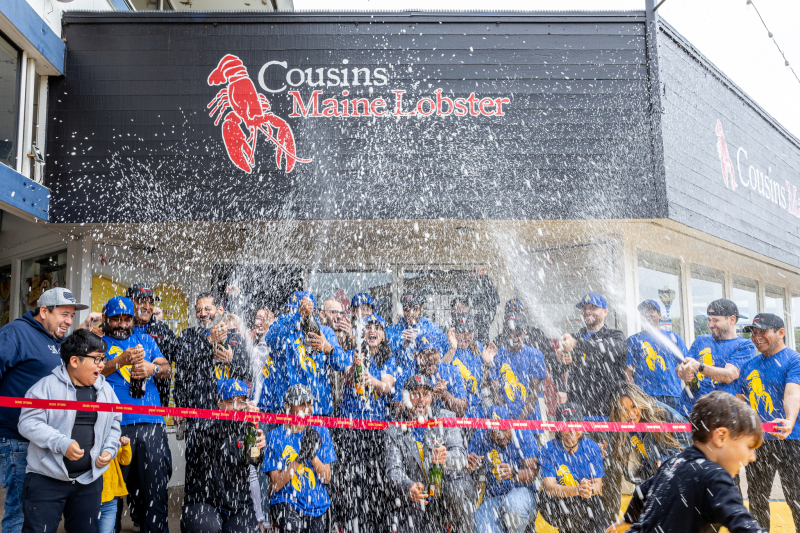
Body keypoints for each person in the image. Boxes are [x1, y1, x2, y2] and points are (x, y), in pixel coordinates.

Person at [608, 391, 765, 533]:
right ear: (721, 437)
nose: (753, 457)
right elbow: (744, 525)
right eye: (750, 446)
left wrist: (627, 520)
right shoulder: (715, 477)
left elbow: (641, 492)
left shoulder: (673, 462)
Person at [0, 287, 89, 533]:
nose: (69, 321)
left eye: (71, 315)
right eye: (64, 314)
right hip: (16, 440)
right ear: (43, 311)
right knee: (19, 511)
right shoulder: (16, 333)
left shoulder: (54, 341)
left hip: (43, 440)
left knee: (34, 511)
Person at [17, 329, 122, 533]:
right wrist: (61, 443)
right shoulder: (44, 388)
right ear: (74, 361)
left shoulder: (106, 391)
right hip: (46, 480)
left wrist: (110, 450)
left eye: (103, 359)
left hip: (88, 482)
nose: (102, 365)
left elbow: (115, 424)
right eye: (97, 359)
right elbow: (28, 422)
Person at [174, 293, 253, 532]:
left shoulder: (236, 338)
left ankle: (233, 511)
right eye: (199, 309)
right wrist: (208, 341)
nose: (202, 313)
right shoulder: (190, 336)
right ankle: (199, 511)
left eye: (207, 308)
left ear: (219, 309)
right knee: (200, 469)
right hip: (201, 422)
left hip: (233, 422)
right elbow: (183, 369)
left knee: (234, 468)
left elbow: (249, 372)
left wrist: (232, 360)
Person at [99, 296, 172, 533]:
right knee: (111, 493)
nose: (121, 324)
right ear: (105, 319)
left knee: (155, 490)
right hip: (114, 425)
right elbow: (93, 372)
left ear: (133, 319)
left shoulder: (146, 340)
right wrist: (120, 361)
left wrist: (154, 368)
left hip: (152, 423)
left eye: (126, 319)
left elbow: (167, 368)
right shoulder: (98, 343)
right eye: (116, 319)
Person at [331, 313, 397, 533]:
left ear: (383, 334)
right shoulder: (354, 353)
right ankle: (352, 526)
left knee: (376, 482)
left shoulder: (388, 358)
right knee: (351, 481)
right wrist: (357, 367)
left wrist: (373, 381)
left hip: (377, 430)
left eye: (377, 327)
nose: (372, 331)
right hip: (351, 428)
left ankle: (374, 525)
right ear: (362, 332)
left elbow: (388, 386)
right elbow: (348, 377)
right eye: (369, 326)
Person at [385, 375, 475, 533]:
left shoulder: (446, 418)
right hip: (419, 499)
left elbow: (461, 456)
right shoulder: (394, 430)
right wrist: (409, 486)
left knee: (455, 492)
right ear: (405, 397)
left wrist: (445, 457)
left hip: (449, 492)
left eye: (425, 394)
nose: (420, 400)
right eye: (415, 394)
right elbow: (393, 470)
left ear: (432, 398)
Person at [736, 313, 800, 531]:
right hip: (759, 442)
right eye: (753, 333)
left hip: (791, 439)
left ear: (780, 332)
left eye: (762, 332)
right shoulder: (749, 365)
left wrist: (789, 420)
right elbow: (740, 402)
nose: (756, 337)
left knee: (796, 498)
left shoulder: (794, 360)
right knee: (756, 498)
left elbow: (792, 394)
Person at [181, 379, 267, 533]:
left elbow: (253, 461)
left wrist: (259, 448)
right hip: (202, 502)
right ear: (219, 403)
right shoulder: (203, 423)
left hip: (237, 505)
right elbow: (216, 432)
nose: (237, 407)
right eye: (231, 402)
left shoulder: (247, 429)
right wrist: (238, 420)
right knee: (208, 528)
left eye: (241, 402)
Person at [605, 384, 689, 520]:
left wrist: (667, 458)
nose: (631, 414)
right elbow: (610, 447)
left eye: (633, 406)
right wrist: (604, 448)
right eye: (624, 410)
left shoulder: (658, 410)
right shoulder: (614, 422)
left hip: (667, 470)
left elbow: (687, 433)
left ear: (640, 402)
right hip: (644, 473)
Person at [264, 384, 337, 533]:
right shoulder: (274, 437)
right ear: (287, 406)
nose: (307, 408)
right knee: (294, 528)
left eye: (309, 403)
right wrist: (299, 459)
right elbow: (276, 484)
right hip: (286, 501)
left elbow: (327, 478)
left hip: (317, 505)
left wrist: (312, 455)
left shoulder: (321, 431)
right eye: (301, 404)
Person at [264, 291, 348, 416]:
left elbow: (342, 363)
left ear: (313, 312)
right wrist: (297, 316)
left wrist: (329, 349)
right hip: (287, 408)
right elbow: (270, 339)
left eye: (300, 310)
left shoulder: (325, 332)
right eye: (291, 311)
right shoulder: (283, 327)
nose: (292, 314)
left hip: (318, 409)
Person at [676, 299, 756, 416]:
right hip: (685, 410)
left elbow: (729, 375)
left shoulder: (745, 346)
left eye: (715, 320)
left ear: (732, 320)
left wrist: (699, 366)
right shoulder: (700, 340)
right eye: (709, 320)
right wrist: (681, 371)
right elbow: (683, 365)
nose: (710, 325)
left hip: (718, 415)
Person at [467, 405, 540, 533]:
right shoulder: (480, 435)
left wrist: (514, 473)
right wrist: (469, 464)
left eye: (504, 429)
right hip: (493, 497)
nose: (500, 436)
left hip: (522, 493)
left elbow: (534, 473)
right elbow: (466, 469)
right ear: (487, 431)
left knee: (513, 506)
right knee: (482, 526)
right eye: (495, 431)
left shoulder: (523, 434)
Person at [538, 403, 606, 533]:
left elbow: (598, 484)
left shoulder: (592, 447)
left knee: (601, 520)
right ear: (558, 428)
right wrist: (577, 490)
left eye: (576, 424)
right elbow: (550, 487)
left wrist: (588, 490)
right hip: (558, 499)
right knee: (568, 514)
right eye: (566, 425)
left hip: (585, 497)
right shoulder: (548, 449)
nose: (572, 430)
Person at [557, 293, 626, 420]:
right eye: (584, 308)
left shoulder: (616, 336)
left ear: (605, 312)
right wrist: (560, 358)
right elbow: (557, 369)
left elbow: (604, 349)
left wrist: (577, 344)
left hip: (608, 413)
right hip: (578, 413)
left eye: (593, 307)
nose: (587, 311)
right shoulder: (574, 337)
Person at [625, 300, 688, 410]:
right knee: (647, 428)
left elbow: (688, 364)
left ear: (660, 315)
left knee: (675, 428)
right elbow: (628, 371)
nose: (646, 314)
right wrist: (634, 395)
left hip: (672, 396)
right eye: (643, 312)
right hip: (645, 397)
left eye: (651, 311)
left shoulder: (674, 338)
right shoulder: (633, 340)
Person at [393, 332, 467, 418]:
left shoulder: (452, 372)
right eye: (425, 353)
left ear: (439, 354)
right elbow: (397, 410)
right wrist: (428, 396)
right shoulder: (405, 375)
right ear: (415, 356)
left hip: (444, 427)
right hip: (414, 427)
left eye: (433, 352)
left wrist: (444, 394)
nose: (430, 358)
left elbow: (461, 411)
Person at [127, 283, 178, 408]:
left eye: (151, 302)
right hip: (122, 403)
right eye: (141, 301)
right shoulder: (118, 327)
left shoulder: (163, 330)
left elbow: (183, 358)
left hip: (155, 404)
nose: (147, 307)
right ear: (129, 302)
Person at [488, 312, 546, 421]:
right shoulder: (497, 355)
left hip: (530, 421)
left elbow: (534, 393)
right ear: (504, 333)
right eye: (511, 335)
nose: (515, 339)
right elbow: (495, 392)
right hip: (505, 423)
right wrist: (508, 418)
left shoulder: (536, 355)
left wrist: (519, 422)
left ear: (525, 331)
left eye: (518, 334)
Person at [443, 312, 498, 419]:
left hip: (477, 413)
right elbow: (440, 374)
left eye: (470, 332)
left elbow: (482, 385)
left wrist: (487, 364)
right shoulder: (446, 345)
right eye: (462, 331)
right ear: (453, 331)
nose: (467, 336)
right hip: (454, 412)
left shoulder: (478, 347)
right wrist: (452, 349)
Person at [387, 290, 448, 378]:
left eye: (414, 309)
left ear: (422, 307)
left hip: (428, 383)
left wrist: (419, 342)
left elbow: (441, 358)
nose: (410, 314)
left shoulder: (433, 329)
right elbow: (387, 361)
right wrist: (403, 346)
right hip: (402, 381)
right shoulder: (391, 331)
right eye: (406, 310)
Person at [98, 435, 132, 533]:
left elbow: (125, 461)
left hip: (110, 498)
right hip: (90, 498)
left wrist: (125, 446)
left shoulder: (111, 438)